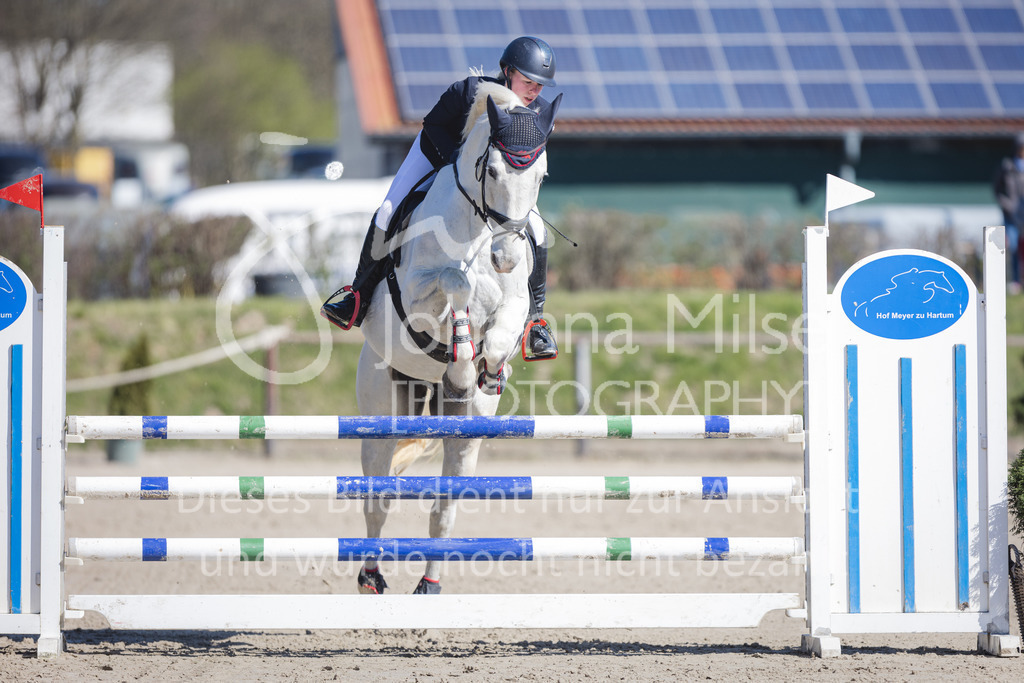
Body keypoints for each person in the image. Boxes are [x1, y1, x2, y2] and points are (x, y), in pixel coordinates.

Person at [322, 36, 559, 360]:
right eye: (528, 81)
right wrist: (456, 166)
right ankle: (357, 296)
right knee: (389, 210)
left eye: (540, 86)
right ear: (507, 71)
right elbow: (433, 125)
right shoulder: (467, 92)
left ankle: (536, 323)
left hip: (494, 180)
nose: (534, 91)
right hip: (437, 154)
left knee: (538, 230)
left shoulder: (540, 114)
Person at [994, 133, 1024, 292]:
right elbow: (997, 190)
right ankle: (1015, 281)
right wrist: (1008, 205)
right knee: (1012, 247)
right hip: (1011, 215)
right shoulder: (1007, 166)